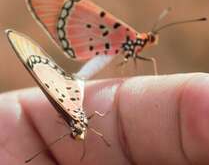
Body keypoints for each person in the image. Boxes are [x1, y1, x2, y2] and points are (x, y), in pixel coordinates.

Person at [0, 73, 208, 164]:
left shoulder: (77, 121)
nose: (76, 136)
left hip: (70, 95)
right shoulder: (77, 127)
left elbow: (90, 125)